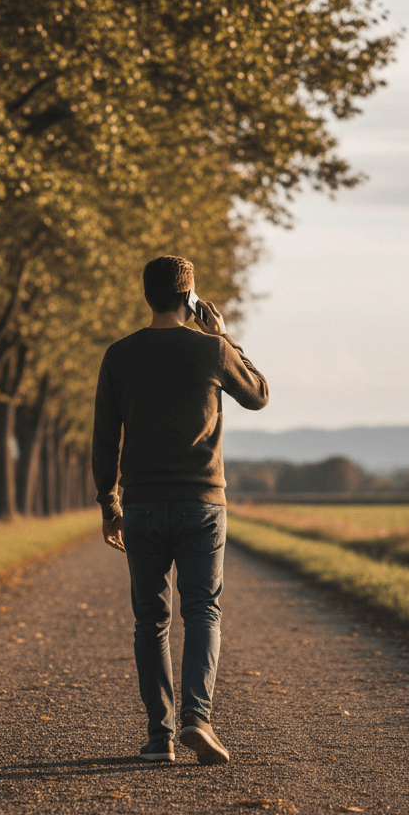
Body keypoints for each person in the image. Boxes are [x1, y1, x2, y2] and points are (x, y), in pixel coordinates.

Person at [91, 255, 268, 765]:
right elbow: (258, 395)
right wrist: (227, 338)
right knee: (202, 610)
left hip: (142, 505)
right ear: (190, 298)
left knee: (150, 621)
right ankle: (197, 717)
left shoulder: (119, 356)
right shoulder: (212, 350)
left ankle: (159, 737)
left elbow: (105, 438)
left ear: (148, 295)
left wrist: (109, 504)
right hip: (202, 504)